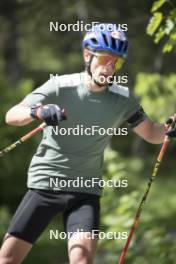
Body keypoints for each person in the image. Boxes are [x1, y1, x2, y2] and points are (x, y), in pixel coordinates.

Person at [0, 23, 175, 264]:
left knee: (82, 260)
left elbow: (153, 134)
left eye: (117, 62)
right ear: (87, 55)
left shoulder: (123, 98)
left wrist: (168, 128)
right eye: (104, 58)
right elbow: (12, 115)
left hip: (84, 190)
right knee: (7, 259)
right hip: (46, 184)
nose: (110, 67)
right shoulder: (60, 86)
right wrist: (38, 111)